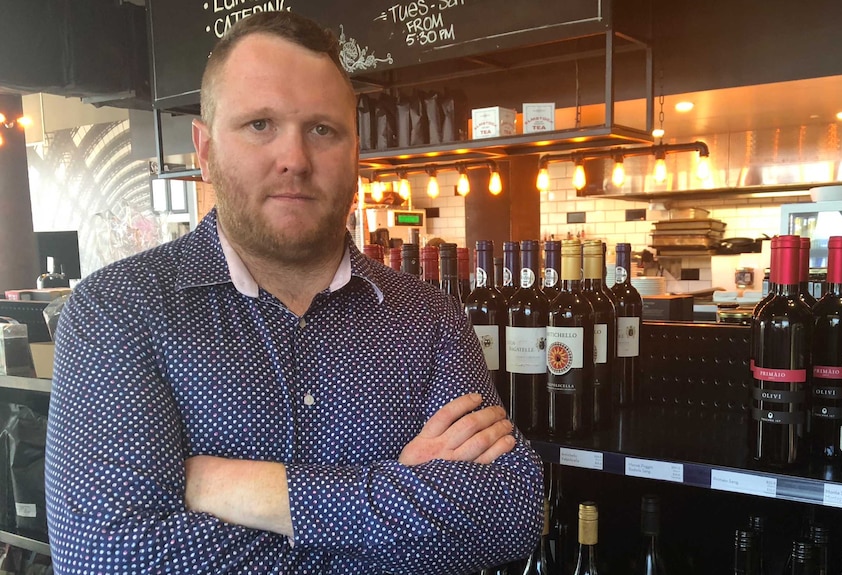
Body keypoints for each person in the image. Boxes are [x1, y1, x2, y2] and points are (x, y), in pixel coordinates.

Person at [45, 10, 543, 574]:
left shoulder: (428, 315)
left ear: (356, 150)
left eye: (322, 129)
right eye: (260, 124)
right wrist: (397, 503)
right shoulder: (118, 310)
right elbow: (110, 558)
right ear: (204, 149)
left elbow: (509, 516)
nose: (295, 159)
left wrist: (246, 490)